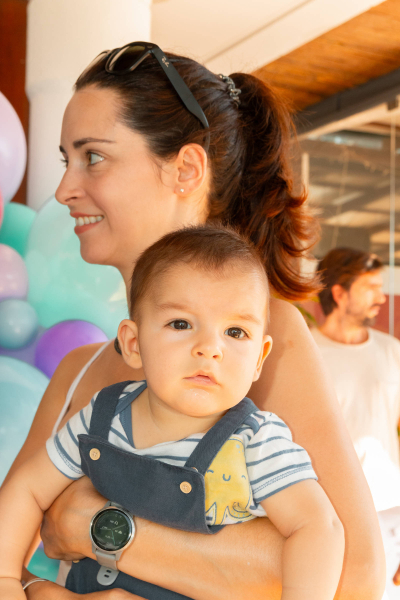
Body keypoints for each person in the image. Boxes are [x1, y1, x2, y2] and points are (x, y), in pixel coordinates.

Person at [3, 42, 384, 600]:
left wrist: (93, 526)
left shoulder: (265, 339)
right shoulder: (74, 374)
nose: (64, 190)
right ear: (133, 341)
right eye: (67, 160)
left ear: (184, 168)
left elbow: (356, 576)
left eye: (94, 157)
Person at [0, 226, 345, 600]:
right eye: (181, 324)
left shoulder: (256, 441)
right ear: (133, 343)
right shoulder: (102, 416)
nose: (209, 348)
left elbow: (317, 527)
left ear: (259, 359)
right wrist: (5, 578)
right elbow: (26, 489)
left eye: (235, 331)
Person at [311, 247, 400, 600]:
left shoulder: (391, 350)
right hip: (332, 517)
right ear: (339, 293)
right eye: (370, 287)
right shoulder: (308, 356)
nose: (381, 296)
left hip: (391, 512)